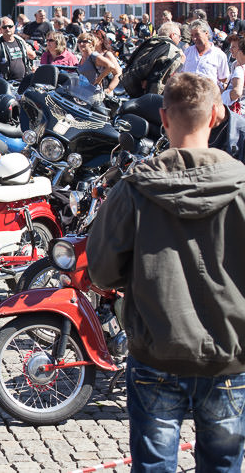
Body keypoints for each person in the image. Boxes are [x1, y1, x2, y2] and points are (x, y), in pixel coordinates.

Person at [88, 73, 245, 473]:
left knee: (155, 465)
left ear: (162, 117)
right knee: (223, 466)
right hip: (227, 352)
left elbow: (102, 271)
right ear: (216, 116)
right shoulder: (241, 188)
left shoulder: (135, 189)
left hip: (157, 349)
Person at [182, 20, 231, 89]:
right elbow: (181, 73)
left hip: (208, 96)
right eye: (192, 35)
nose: (194, 38)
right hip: (189, 95)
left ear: (206, 33)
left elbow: (224, 79)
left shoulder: (219, 55)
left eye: (197, 34)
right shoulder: (187, 52)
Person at [0, 17, 36, 81]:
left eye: (10, 26)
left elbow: (31, 56)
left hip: (24, 81)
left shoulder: (20, 42)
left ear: (14, 28)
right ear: (0, 29)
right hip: (7, 83)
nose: (7, 29)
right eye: (4, 27)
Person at [222, 34, 245, 109]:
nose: (230, 49)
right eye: (230, 46)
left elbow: (237, 92)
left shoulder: (240, 69)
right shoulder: (234, 65)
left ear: (241, 49)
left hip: (238, 111)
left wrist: (223, 97)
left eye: (233, 47)